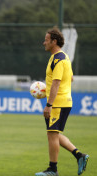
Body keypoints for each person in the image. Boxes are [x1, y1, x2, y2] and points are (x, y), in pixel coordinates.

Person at [35, 27, 89, 176]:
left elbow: (57, 83)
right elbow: (70, 78)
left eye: (46, 40)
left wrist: (49, 105)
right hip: (64, 101)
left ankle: (53, 170)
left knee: (52, 135)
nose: (43, 42)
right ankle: (80, 155)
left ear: (54, 41)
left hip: (57, 104)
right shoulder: (61, 57)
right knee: (55, 134)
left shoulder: (58, 59)